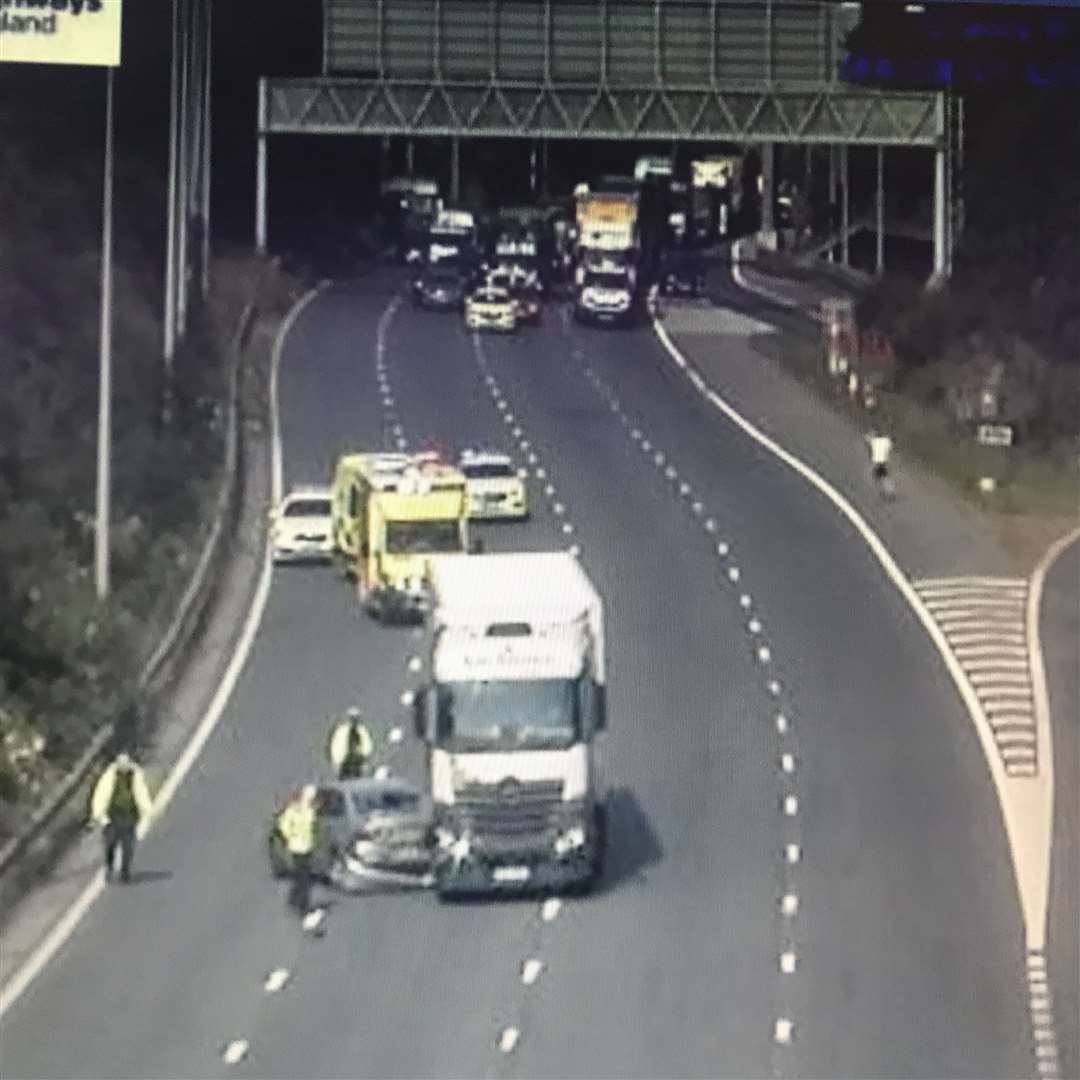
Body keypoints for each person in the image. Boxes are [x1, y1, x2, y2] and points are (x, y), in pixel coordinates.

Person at [89, 751, 154, 884]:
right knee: (110, 844)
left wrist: (147, 811)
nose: (124, 768)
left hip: (129, 816)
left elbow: (141, 793)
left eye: (126, 765)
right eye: (121, 765)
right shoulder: (109, 777)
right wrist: (99, 815)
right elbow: (101, 795)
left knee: (128, 846)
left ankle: (125, 871)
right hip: (113, 816)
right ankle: (109, 866)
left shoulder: (135, 776)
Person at [276, 784, 321, 916]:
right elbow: (284, 826)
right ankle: (303, 905)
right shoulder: (296, 810)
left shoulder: (307, 810)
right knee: (304, 878)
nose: (311, 800)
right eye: (310, 798)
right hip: (298, 847)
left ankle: (296, 900)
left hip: (305, 847)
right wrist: (291, 836)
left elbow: (312, 827)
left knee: (301, 877)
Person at [328, 707, 374, 780]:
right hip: (344, 763)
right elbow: (336, 746)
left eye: (355, 718)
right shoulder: (342, 731)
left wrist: (364, 759)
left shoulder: (361, 731)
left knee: (357, 782)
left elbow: (367, 747)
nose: (353, 720)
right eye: (352, 718)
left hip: (357, 763)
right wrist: (337, 761)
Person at [866, 428, 895, 497]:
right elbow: (890, 445)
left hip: (878, 462)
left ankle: (889, 491)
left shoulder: (874, 441)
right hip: (883, 461)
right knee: (883, 476)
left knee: (880, 476)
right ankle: (888, 491)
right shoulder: (885, 441)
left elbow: (870, 448)